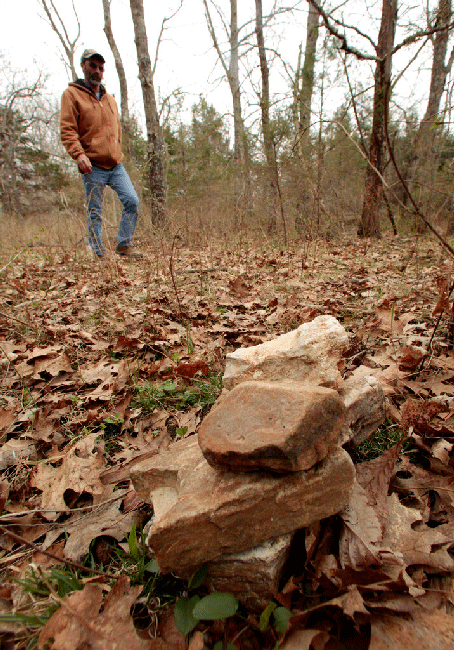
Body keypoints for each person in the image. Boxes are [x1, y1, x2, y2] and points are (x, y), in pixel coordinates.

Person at [60, 49, 142, 259]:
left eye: (101, 68)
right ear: (83, 67)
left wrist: (117, 151)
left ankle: (124, 244)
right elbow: (68, 129)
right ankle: (97, 253)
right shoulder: (72, 94)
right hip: (92, 164)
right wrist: (79, 155)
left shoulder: (110, 99)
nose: (97, 71)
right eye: (93, 66)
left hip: (115, 164)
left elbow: (117, 129)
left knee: (132, 200)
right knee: (95, 210)